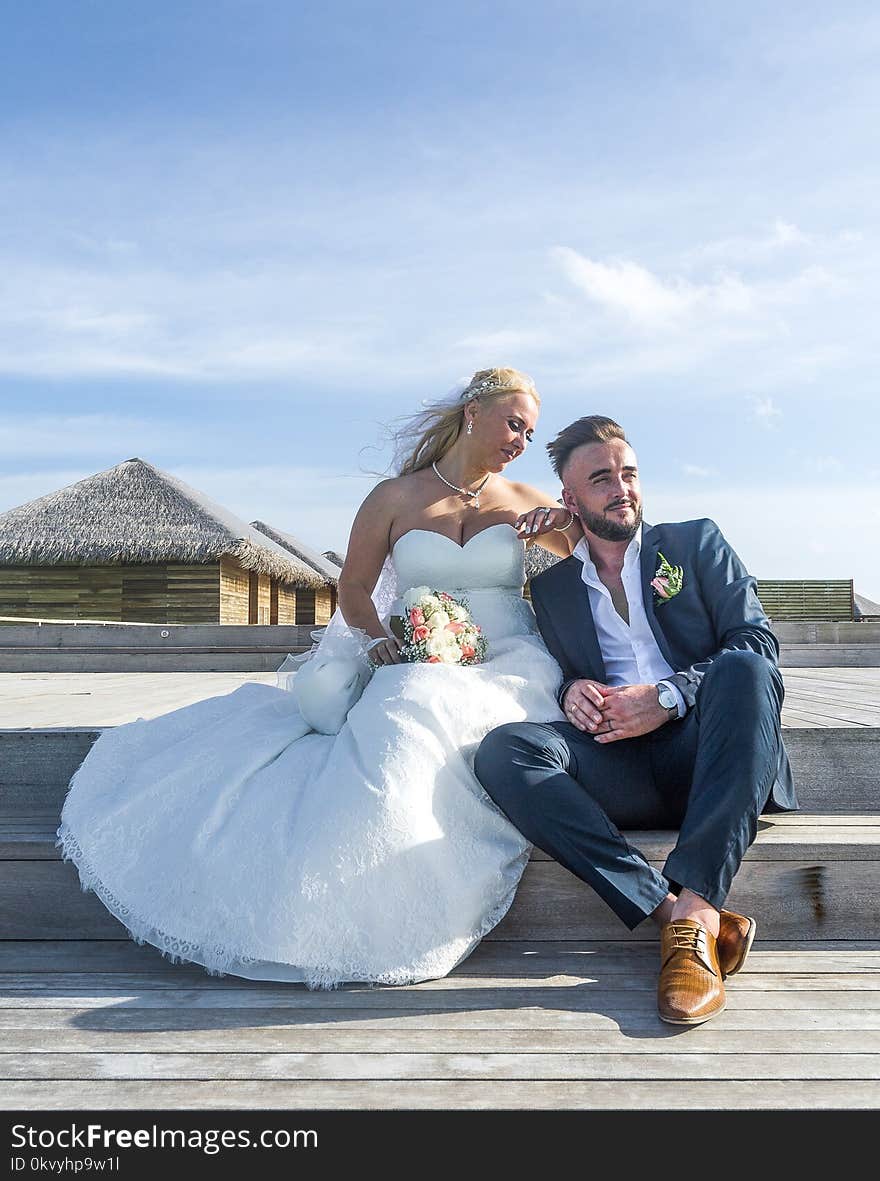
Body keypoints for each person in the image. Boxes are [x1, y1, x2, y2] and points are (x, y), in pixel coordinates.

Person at [58, 367, 580, 988]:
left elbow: (597, 563)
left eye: (530, 432)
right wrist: (382, 640)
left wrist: (562, 526)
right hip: (412, 653)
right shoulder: (393, 498)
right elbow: (354, 587)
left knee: (428, 703)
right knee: (405, 702)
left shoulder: (528, 502)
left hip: (509, 660)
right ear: (473, 412)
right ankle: (348, 900)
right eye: (514, 423)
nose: (521, 440)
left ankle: (411, 896)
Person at [474, 414, 797, 1025]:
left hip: (708, 754)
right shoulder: (553, 590)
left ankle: (698, 911)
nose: (622, 488)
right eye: (601, 479)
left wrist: (669, 697)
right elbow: (568, 670)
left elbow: (757, 642)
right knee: (504, 750)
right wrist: (573, 691)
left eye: (628, 473)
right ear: (570, 497)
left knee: (744, 671)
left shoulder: (695, 544)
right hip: (618, 761)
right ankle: (666, 914)